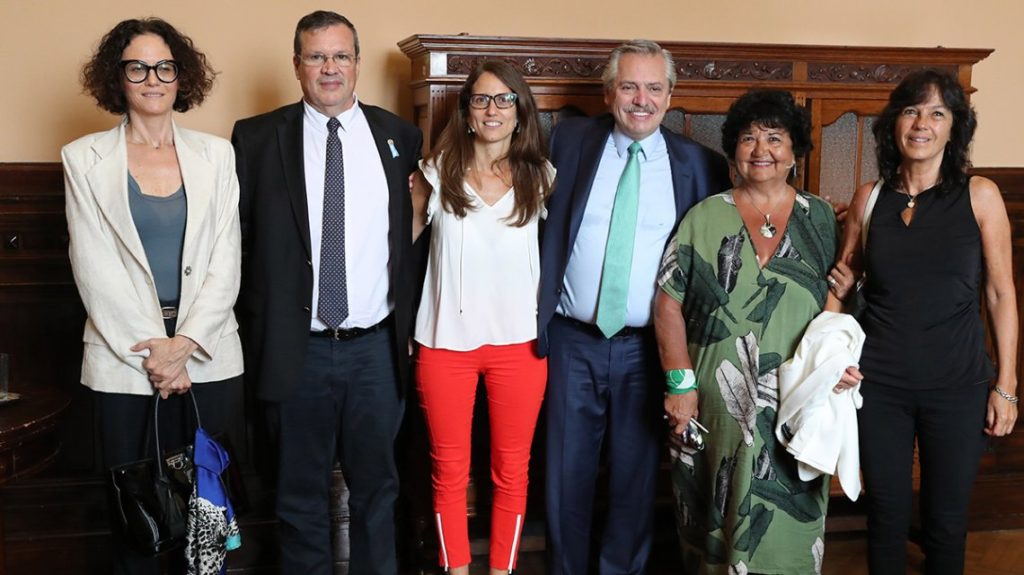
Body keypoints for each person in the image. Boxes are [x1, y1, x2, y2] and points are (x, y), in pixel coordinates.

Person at [230, 10, 422, 575]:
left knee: (378, 492)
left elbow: (414, 237)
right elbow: (238, 245)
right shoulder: (256, 138)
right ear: (297, 65)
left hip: (376, 351)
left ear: (357, 64)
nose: (329, 68)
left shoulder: (399, 136)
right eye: (316, 57)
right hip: (297, 350)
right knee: (298, 497)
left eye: (341, 56)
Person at [538, 39, 731, 575]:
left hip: (648, 350)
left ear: (669, 96)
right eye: (629, 87)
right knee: (565, 477)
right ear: (608, 94)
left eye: (653, 88)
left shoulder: (700, 165)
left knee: (635, 480)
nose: (641, 100)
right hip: (572, 341)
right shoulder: (568, 142)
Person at [654, 89, 862, 574]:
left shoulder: (822, 220)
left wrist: (838, 364)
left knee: (789, 523)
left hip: (796, 403)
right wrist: (680, 385)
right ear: (733, 150)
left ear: (794, 151)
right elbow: (667, 303)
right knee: (713, 520)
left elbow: (843, 306)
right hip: (714, 404)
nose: (761, 149)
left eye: (774, 137)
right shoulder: (704, 216)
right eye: (748, 138)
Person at [62, 17, 243, 574]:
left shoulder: (217, 154)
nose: (152, 79)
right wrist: (161, 358)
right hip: (126, 361)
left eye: (164, 67)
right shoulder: (83, 158)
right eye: (137, 68)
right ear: (117, 78)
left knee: (207, 517)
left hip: (209, 357)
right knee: (139, 522)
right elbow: (94, 268)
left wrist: (185, 344)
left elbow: (226, 262)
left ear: (181, 75)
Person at [831, 69, 1018, 575]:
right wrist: (833, 355)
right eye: (911, 111)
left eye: (937, 113)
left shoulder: (980, 194)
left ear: (954, 128)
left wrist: (1006, 385)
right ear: (894, 123)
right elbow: (844, 285)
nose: (922, 124)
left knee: (946, 522)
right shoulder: (869, 198)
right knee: (885, 517)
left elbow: (1000, 293)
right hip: (879, 386)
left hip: (958, 385)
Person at [410, 60, 553, 575]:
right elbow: (397, 253)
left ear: (520, 111)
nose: (493, 109)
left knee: (512, 471)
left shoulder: (543, 176)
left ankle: (501, 570)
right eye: (481, 99)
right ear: (467, 112)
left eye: (504, 99)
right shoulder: (434, 173)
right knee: (449, 471)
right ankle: (456, 569)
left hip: (520, 345)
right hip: (444, 343)